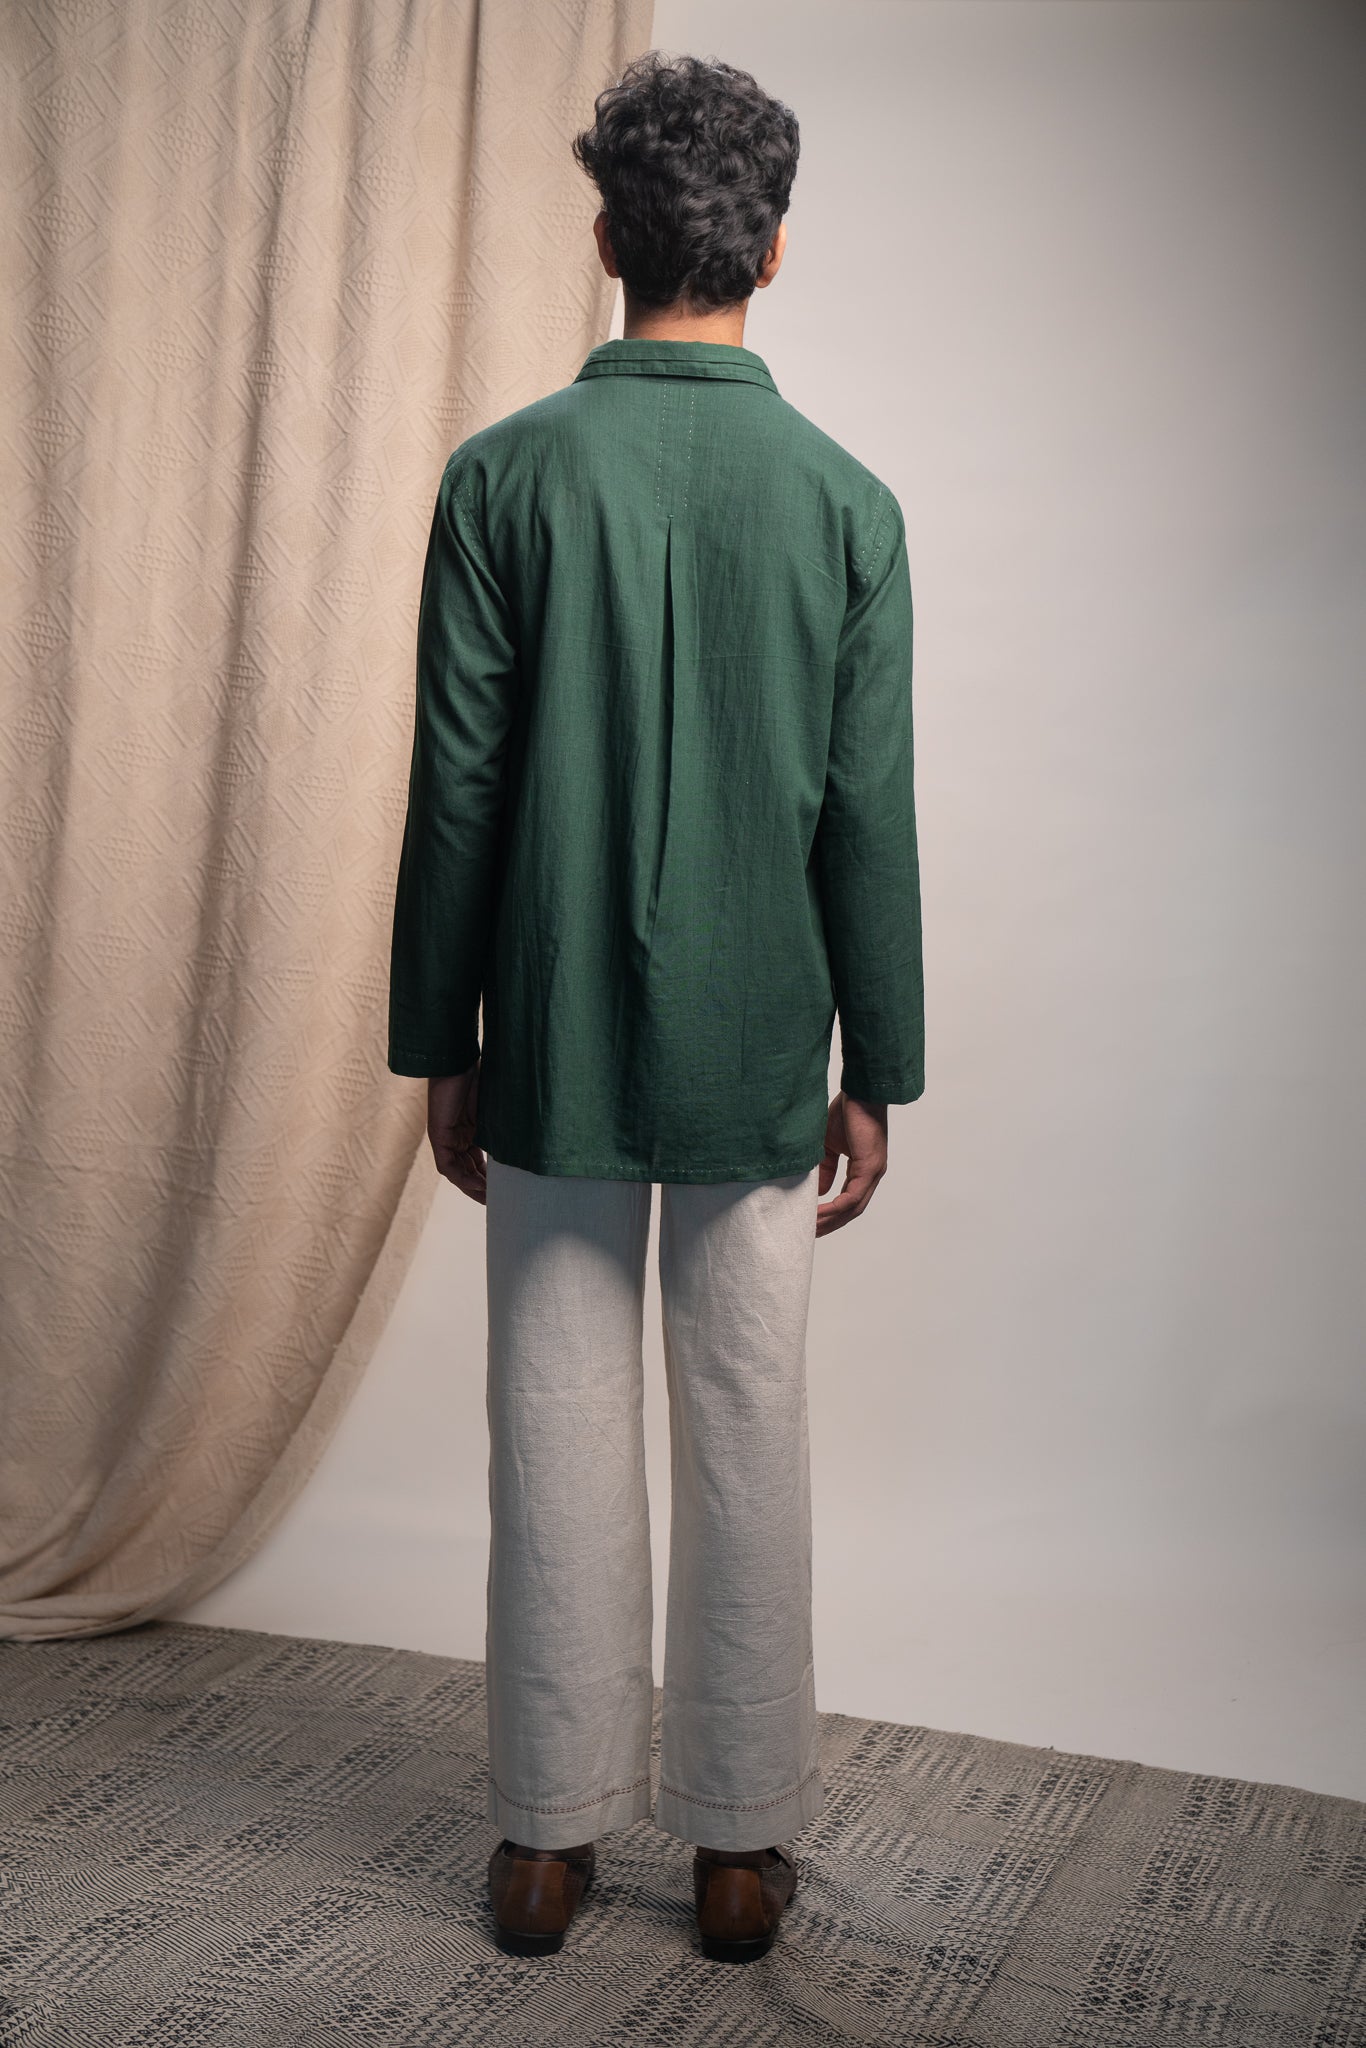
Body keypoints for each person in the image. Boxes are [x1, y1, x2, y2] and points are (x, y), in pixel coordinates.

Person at [387, 48, 924, 1963]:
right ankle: (736, 1843)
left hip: (547, 1024)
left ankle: (546, 1838)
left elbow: (460, 789)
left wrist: (438, 1043)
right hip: (764, 1034)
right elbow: (865, 810)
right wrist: (881, 1063)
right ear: (771, 250)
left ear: (606, 239)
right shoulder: (848, 503)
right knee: (749, 1418)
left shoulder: (502, 476)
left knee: (551, 1414)